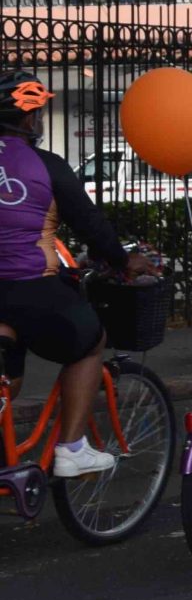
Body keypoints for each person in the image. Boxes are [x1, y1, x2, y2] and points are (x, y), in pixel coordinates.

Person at [0, 74, 134, 480]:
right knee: (91, 342)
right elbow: (91, 226)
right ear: (28, 121)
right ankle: (73, 449)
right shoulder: (46, 166)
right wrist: (123, 262)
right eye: (37, 114)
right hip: (28, 284)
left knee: (9, 368)